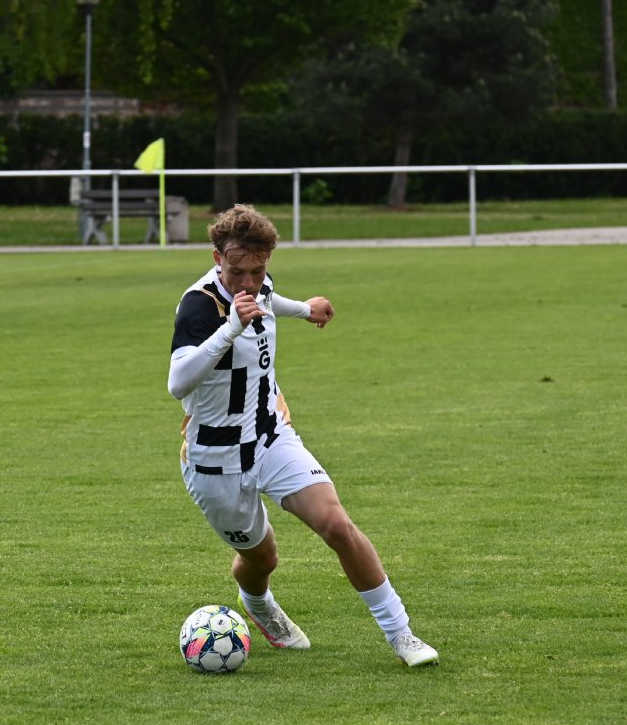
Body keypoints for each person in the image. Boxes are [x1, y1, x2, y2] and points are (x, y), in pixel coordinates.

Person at [167, 204, 438, 667]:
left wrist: (305, 310)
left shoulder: (259, 284)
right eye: (237, 271)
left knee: (336, 525)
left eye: (258, 271)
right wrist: (231, 328)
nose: (248, 282)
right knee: (262, 559)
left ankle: (402, 635)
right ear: (217, 258)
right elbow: (177, 383)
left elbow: (269, 297)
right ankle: (259, 606)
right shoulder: (199, 306)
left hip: (270, 436)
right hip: (215, 458)